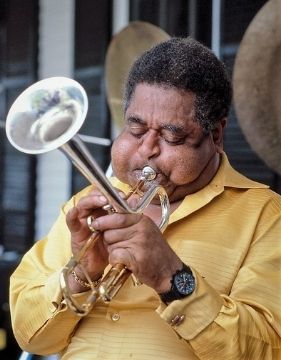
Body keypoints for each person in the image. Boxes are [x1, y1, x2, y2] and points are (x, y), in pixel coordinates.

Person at [9, 37, 281, 359]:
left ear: (217, 135)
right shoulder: (88, 203)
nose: (147, 149)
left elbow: (266, 348)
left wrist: (172, 277)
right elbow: (31, 338)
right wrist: (81, 274)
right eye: (136, 130)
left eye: (172, 136)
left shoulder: (266, 216)